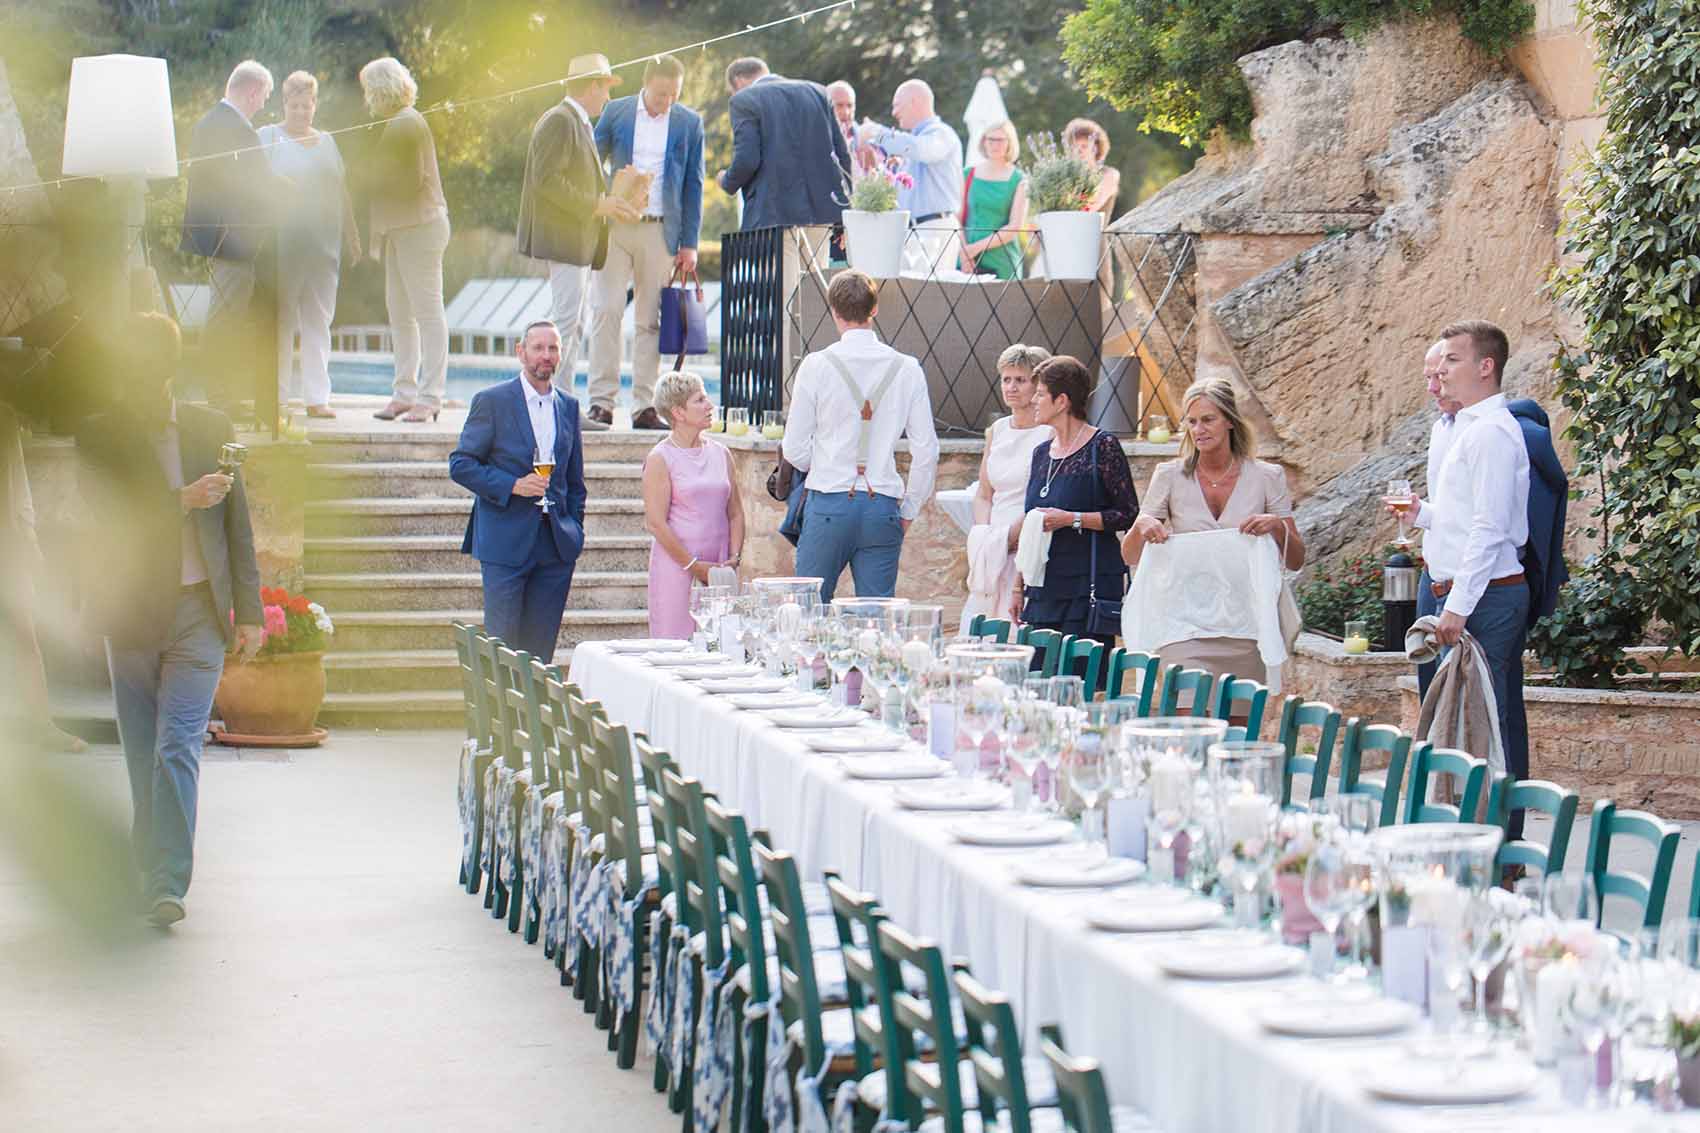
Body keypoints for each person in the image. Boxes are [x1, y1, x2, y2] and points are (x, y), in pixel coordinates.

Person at [76, 313, 263, 928]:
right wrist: (181, 498)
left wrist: (251, 612)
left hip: (197, 615)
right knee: (140, 756)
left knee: (176, 747)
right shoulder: (100, 434)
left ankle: (167, 883)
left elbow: (239, 525)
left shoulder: (212, 428)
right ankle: (144, 864)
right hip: (130, 614)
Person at [1391, 321, 1533, 830]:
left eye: (1451, 360)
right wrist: (1420, 514)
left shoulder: (1493, 433)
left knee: (1489, 724)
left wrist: (1457, 607)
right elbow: (1459, 517)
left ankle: (1500, 850)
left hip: (1484, 600)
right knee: (1447, 723)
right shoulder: (1450, 429)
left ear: (1485, 366)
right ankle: (1453, 834)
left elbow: (1492, 529)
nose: (1440, 372)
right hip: (1443, 591)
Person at [1121, 377, 1304, 682]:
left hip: (1247, 624)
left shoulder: (1267, 476)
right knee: (1189, 717)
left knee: (1239, 726)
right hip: (1184, 622)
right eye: (1191, 422)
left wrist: (1276, 528)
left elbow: (1296, 559)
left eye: (1208, 420)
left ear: (1230, 421)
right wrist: (1143, 526)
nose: (1198, 430)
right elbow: (1129, 554)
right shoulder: (1169, 476)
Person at [782, 269, 939, 602]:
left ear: (834, 312)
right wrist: (909, 509)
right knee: (877, 620)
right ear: (875, 309)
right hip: (882, 505)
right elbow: (926, 450)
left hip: (828, 503)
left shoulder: (816, 365)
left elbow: (794, 448)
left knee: (809, 612)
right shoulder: (907, 368)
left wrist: (824, 463)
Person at [450, 321, 588, 662]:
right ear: (521, 352)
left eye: (553, 348)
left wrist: (574, 530)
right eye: (538, 347)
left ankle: (534, 717)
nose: (546, 355)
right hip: (504, 544)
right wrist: (513, 485)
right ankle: (499, 716)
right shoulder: (492, 401)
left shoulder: (568, 406)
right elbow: (461, 464)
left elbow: (575, 482)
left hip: (555, 546)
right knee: (502, 650)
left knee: (540, 656)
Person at [590, 54, 704, 431]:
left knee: (649, 320)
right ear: (645, 85)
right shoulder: (617, 112)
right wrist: (601, 199)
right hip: (616, 225)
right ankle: (601, 402)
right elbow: (590, 161)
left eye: (673, 94)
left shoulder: (689, 122)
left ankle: (644, 406)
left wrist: (689, 243)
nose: (666, 101)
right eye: (660, 94)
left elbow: (694, 184)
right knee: (606, 310)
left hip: (661, 231)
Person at [520, 53, 635, 415]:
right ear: (592, 86)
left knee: (572, 323)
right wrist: (596, 206)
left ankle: (562, 403)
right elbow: (548, 181)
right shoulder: (560, 120)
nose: (608, 98)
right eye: (605, 88)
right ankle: (554, 404)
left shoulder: (575, 121)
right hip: (565, 239)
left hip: (577, 241)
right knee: (564, 325)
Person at [178, 60, 288, 418]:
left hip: (223, 236)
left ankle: (221, 393)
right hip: (234, 238)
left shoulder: (211, 122)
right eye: (264, 96)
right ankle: (220, 397)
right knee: (226, 318)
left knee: (226, 315)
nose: (263, 104)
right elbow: (249, 183)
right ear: (253, 91)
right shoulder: (234, 128)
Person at [1011, 357, 1137, 645]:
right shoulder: (1041, 453)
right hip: (1042, 587)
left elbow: (1128, 513)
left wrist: (1071, 519)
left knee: (1082, 682)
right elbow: (1031, 524)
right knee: (1037, 679)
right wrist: (1018, 587)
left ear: (1062, 401)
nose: (1033, 400)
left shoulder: (1102, 447)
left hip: (1087, 585)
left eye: (1041, 394)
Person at [257, 71, 359, 420]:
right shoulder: (267, 138)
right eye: (294, 105)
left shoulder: (329, 141)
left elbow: (341, 191)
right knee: (281, 321)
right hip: (282, 247)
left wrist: (353, 234)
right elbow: (251, 185)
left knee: (318, 321)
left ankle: (317, 399)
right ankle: (278, 399)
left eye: (307, 105)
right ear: (284, 104)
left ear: (315, 105)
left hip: (323, 248)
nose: (301, 112)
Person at [361, 57, 451, 424]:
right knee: (400, 314)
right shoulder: (396, 123)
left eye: (369, 90)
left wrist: (369, 178)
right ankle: (404, 392)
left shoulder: (407, 123)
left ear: (381, 89)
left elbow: (410, 181)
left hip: (421, 226)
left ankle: (430, 396)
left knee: (428, 314)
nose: (367, 98)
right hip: (401, 229)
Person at [1, 401, 85, 752]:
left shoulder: (4, 416)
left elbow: (18, 486)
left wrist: (30, 543)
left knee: (24, 634)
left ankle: (40, 726)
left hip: (8, 542)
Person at [642, 371, 744, 639]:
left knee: (723, 643)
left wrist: (734, 559)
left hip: (721, 565)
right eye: (700, 400)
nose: (710, 406)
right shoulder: (660, 458)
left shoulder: (722, 454)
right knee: (675, 647)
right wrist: (694, 566)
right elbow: (655, 523)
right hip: (677, 567)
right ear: (678, 412)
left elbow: (735, 512)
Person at [960, 345, 1052, 631]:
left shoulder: (1049, 432)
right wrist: (985, 536)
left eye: (1020, 380)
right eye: (1006, 379)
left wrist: (1013, 538)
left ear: (1037, 384)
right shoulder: (997, 430)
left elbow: (1045, 497)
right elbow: (984, 494)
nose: (1011, 387)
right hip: (993, 542)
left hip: (1028, 540)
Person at [718, 58, 852, 231]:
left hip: (775, 214)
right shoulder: (818, 92)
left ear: (738, 81)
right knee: (817, 260)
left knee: (783, 259)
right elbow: (842, 155)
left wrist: (726, 181)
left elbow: (747, 160)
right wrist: (845, 211)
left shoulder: (744, 99)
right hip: (823, 213)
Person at [858, 80, 965, 274]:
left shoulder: (942, 134)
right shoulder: (911, 140)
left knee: (931, 298)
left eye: (897, 104)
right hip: (914, 231)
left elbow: (922, 150)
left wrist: (878, 133)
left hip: (935, 229)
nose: (894, 112)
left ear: (915, 101)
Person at [1415, 338, 1457, 697]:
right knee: (1427, 682)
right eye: (1428, 378)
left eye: (1439, 377)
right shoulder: (1440, 428)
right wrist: (1418, 512)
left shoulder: (1482, 430)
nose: (1431, 387)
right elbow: (1446, 511)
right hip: (1431, 569)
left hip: (1460, 579)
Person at [958, 119, 1028, 280]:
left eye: (1000, 140)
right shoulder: (967, 174)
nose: (995, 145)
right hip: (967, 262)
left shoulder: (1020, 180)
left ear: (1010, 143)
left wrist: (974, 249)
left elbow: (1014, 227)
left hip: (1002, 261)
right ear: (984, 142)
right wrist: (965, 253)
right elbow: (957, 218)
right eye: (990, 139)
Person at [1064, 118, 1120, 219]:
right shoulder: (1067, 176)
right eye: (1074, 147)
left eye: (1084, 146)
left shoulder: (1109, 174)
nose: (1079, 151)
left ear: (1096, 148)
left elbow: (1091, 207)